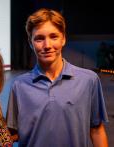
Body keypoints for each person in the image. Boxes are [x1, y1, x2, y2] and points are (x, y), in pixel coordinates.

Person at [6, 8, 108, 147]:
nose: (47, 45)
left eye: (54, 37)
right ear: (30, 43)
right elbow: (12, 135)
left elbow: (96, 130)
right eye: (39, 39)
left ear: (63, 39)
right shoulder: (19, 86)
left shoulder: (89, 80)